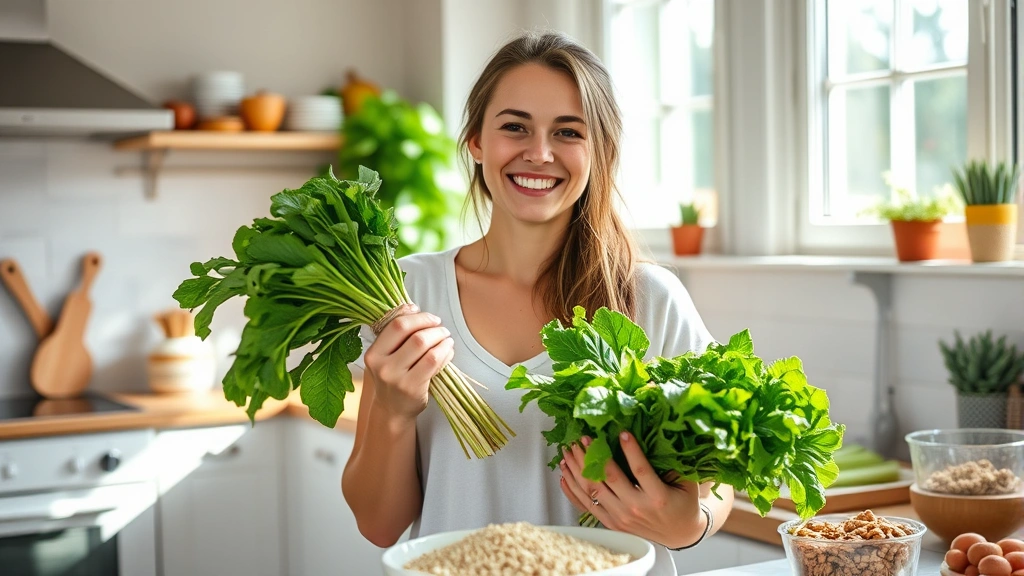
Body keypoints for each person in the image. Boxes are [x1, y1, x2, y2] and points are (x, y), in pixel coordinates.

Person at [341, 30, 733, 573]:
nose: (539, 153)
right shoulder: (407, 296)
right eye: (515, 127)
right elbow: (380, 526)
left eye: (568, 132)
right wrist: (390, 407)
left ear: (601, 152)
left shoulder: (648, 298)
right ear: (477, 140)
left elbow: (714, 486)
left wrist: (690, 524)